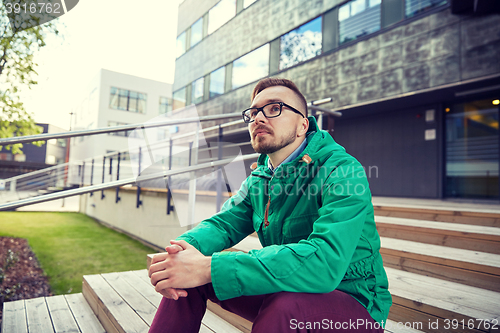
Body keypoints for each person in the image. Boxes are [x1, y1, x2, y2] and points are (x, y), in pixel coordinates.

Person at [148, 78, 392, 332]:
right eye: (253, 113)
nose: (258, 118)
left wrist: (209, 266)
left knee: (285, 305)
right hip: (287, 288)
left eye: (274, 108)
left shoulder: (341, 170)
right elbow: (222, 225)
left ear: (302, 125)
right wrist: (177, 256)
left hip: (355, 305)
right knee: (188, 279)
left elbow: (325, 262)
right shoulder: (260, 178)